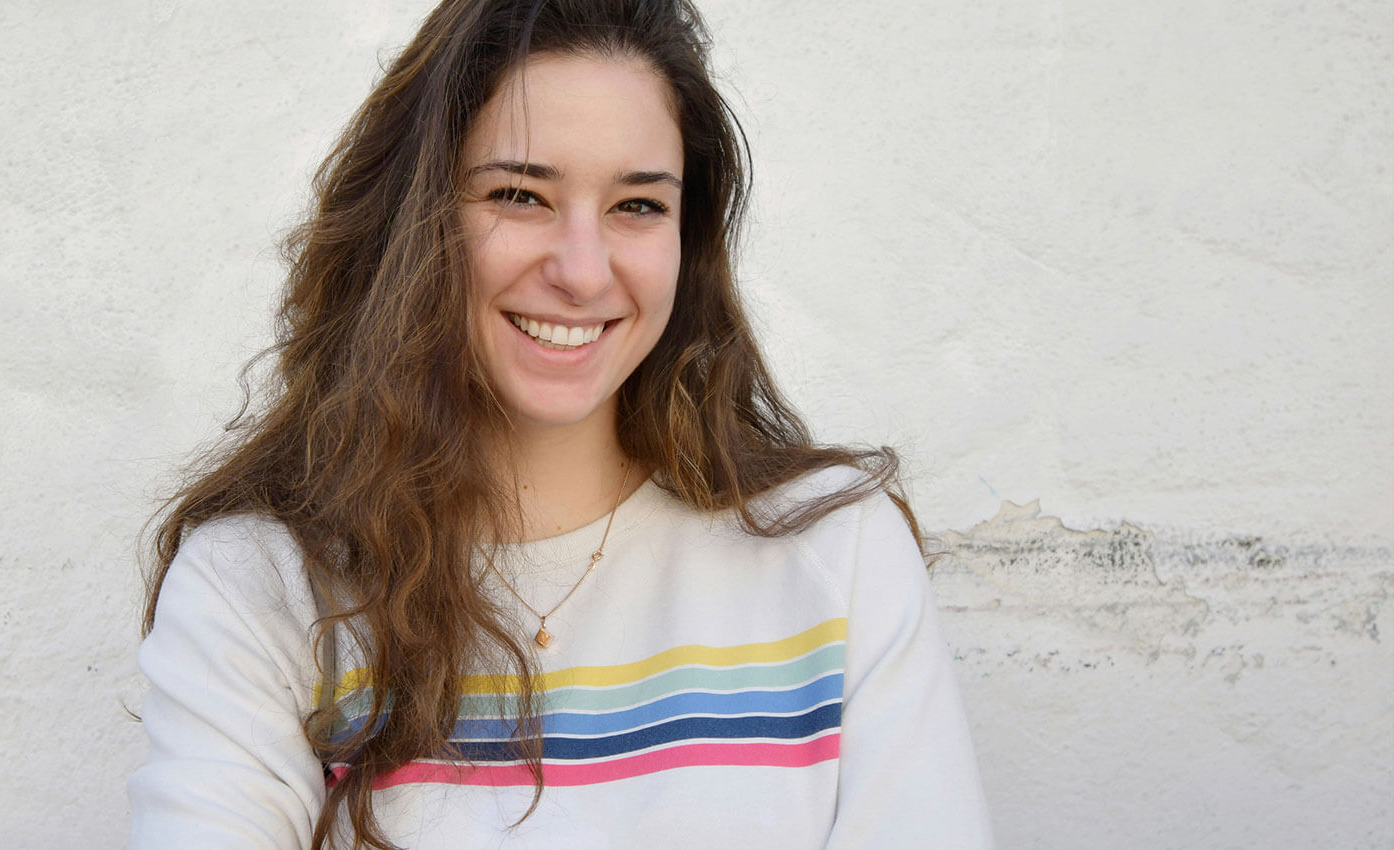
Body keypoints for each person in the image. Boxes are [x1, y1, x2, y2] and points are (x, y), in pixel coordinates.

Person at [127, 0, 994, 847]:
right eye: (521, 195)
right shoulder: (262, 587)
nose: (583, 271)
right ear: (411, 221)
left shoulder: (837, 557)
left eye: (638, 206)